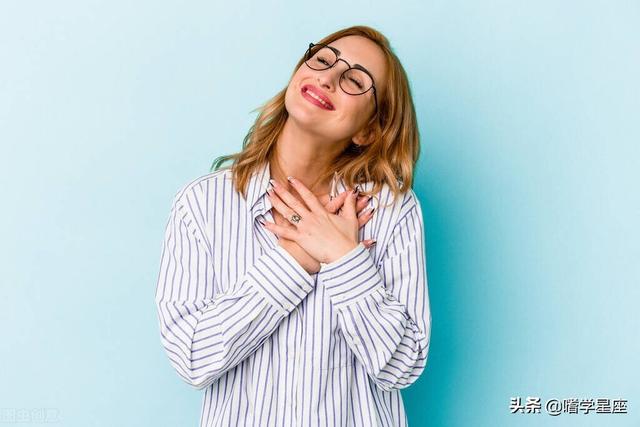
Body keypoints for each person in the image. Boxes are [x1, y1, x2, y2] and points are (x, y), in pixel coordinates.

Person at [155, 24, 431, 427]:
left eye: (354, 80)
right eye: (322, 59)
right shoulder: (201, 205)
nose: (329, 76)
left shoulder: (390, 210)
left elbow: (402, 365)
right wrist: (296, 257)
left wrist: (343, 257)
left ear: (369, 129)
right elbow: (193, 357)